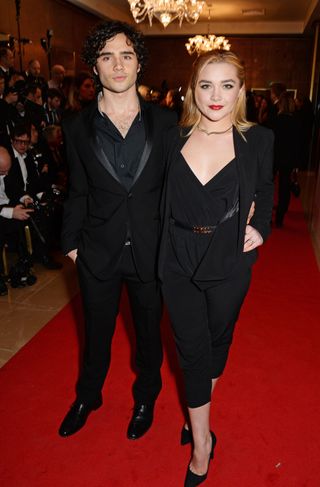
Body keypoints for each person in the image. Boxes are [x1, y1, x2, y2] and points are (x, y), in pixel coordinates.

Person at [158, 50, 274, 486]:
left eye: (227, 85)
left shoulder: (258, 141)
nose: (216, 95)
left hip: (229, 259)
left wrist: (260, 228)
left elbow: (264, 188)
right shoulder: (173, 138)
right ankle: (201, 445)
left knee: (217, 346)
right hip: (177, 259)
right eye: (206, 85)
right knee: (192, 352)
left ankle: (197, 410)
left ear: (242, 91)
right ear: (192, 90)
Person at [59, 20, 176, 439]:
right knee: (96, 334)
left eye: (127, 55)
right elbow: (78, 189)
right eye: (107, 56)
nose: (118, 65)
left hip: (150, 249)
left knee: (148, 335)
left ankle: (146, 396)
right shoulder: (76, 127)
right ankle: (89, 395)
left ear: (139, 63)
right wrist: (71, 245)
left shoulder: (165, 123)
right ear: (95, 66)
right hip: (98, 251)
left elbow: (180, 184)